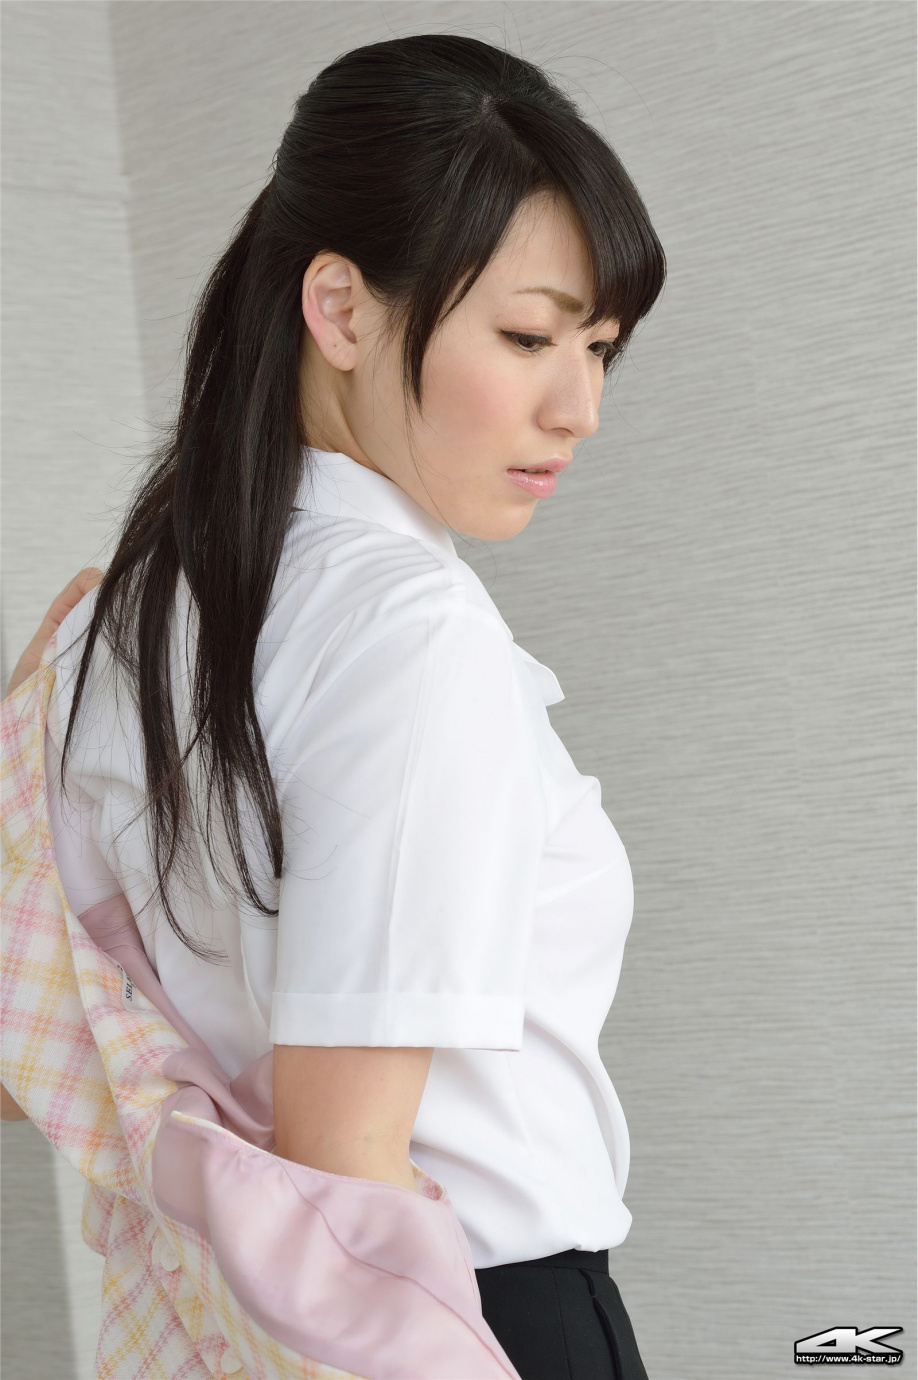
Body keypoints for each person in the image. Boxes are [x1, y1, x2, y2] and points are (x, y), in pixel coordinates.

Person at [4, 32, 664, 1379]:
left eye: (599, 346)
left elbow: (42, 1032)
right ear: (343, 309)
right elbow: (342, 1164)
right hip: (449, 1315)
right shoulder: (407, 629)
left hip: (227, 1317)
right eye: (528, 336)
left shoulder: (110, 620)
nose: (579, 407)